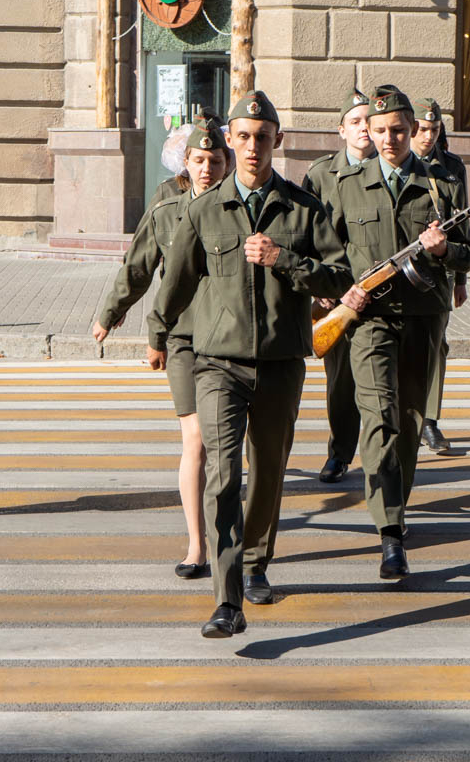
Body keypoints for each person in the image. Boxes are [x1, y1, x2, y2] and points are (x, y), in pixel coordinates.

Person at [147, 90, 351, 638]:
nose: (254, 146)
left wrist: (285, 260)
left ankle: (258, 561)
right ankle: (227, 597)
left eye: (263, 137)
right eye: (243, 137)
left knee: (267, 473)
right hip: (218, 363)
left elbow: (341, 277)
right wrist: (156, 332)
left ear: (276, 141)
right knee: (222, 472)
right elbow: (177, 278)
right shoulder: (204, 208)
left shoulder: (303, 210)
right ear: (231, 141)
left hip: (283, 361)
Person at [330, 85, 470, 580]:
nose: (389, 139)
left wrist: (442, 252)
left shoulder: (441, 187)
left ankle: (397, 503)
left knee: (411, 422)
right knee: (380, 419)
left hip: (423, 316)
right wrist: (338, 293)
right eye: (379, 131)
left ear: (414, 131)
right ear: (367, 134)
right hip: (370, 321)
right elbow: (327, 254)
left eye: (398, 129)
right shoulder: (346, 184)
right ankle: (390, 531)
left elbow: (469, 255)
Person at [92, 119, 229, 578]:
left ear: (226, 164)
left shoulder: (238, 210)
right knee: (196, 442)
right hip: (184, 338)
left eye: (214, 160)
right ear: (185, 165)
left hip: (231, 339)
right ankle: (197, 546)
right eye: (199, 160)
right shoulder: (167, 210)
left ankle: (235, 540)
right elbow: (139, 265)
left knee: (224, 447)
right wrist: (110, 313)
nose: (207, 167)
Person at [301, 88, 376, 484]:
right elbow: (303, 237)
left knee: (381, 385)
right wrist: (318, 287)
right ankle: (341, 452)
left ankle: (385, 458)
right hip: (336, 297)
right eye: (355, 122)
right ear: (341, 131)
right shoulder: (319, 174)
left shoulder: (392, 168)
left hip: (380, 293)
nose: (364, 128)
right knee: (341, 384)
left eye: (369, 121)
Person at [411, 97, 469, 452]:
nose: (427, 135)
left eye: (433, 129)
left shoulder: (451, 167)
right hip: (399, 267)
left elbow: (461, 224)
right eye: (421, 128)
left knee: (437, 344)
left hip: (438, 269)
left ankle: (429, 420)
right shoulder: (394, 161)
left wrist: (460, 279)